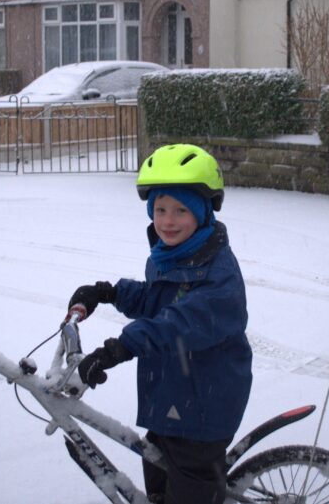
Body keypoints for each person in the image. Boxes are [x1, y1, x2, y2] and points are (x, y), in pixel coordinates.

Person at [67, 143, 252, 504]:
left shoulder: (220, 274)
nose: (168, 220)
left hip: (203, 408)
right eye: (161, 209)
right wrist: (106, 292)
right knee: (158, 479)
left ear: (202, 212)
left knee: (189, 487)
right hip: (171, 397)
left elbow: (179, 322)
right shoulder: (172, 255)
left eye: (181, 210)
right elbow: (157, 298)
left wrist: (121, 347)